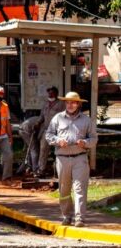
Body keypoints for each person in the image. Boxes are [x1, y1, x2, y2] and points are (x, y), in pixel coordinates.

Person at [45, 91, 98, 227]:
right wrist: (58, 141)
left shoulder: (86, 120)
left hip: (80, 158)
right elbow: (49, 135)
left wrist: (85, 143)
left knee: (80, 188)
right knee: (64, 189)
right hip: (62, 159)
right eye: (68, 102)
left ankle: (79, 218)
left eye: (73, 102)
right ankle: (66, 216)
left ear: (78, 104)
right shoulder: (58, 118)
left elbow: (94, 139)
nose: (70, 105)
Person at [36, 86, 66, 177]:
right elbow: (42, 116)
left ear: (56, 94)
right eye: (49, 92)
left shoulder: (61, 104)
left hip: (58, 132)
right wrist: (38, 122)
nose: (50, 94)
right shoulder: (45, 103)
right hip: (46, 130)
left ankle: (59, 171)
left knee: (59, 151)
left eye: (52, 93)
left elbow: (65, 117)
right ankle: (41, 170)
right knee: (43, 150)